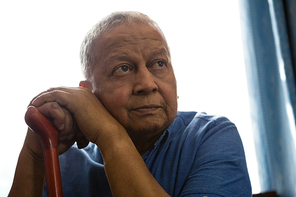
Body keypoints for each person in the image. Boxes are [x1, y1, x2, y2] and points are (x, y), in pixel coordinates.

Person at [9, 11, 252, 196]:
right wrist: (35, 151)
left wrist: (108, 134)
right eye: (123, 69)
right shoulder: (65, 160)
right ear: (88, 93)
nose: (147, 84)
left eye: (158, 63)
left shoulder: (210, 136)